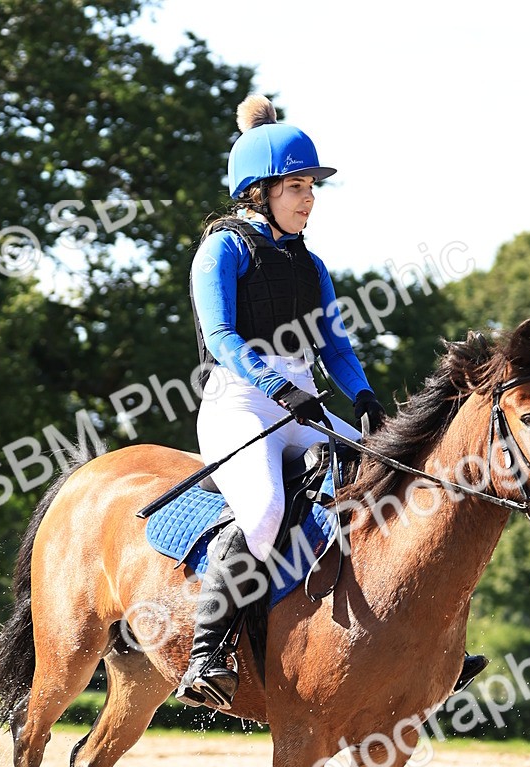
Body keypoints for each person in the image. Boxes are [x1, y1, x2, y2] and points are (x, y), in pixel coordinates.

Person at [176, 94, 486, 710]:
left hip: (304, 402)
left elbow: (336, 347)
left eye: (312, 188)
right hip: (240, 403)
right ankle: (206, 654)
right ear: (259, 190)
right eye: (297, 186)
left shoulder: (311, 265)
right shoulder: (223, 251)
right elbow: (222, 339)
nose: (309, 199)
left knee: (394, 487)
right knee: (264, 510)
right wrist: (278, 388)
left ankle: (421, 639)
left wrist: (366, 398)